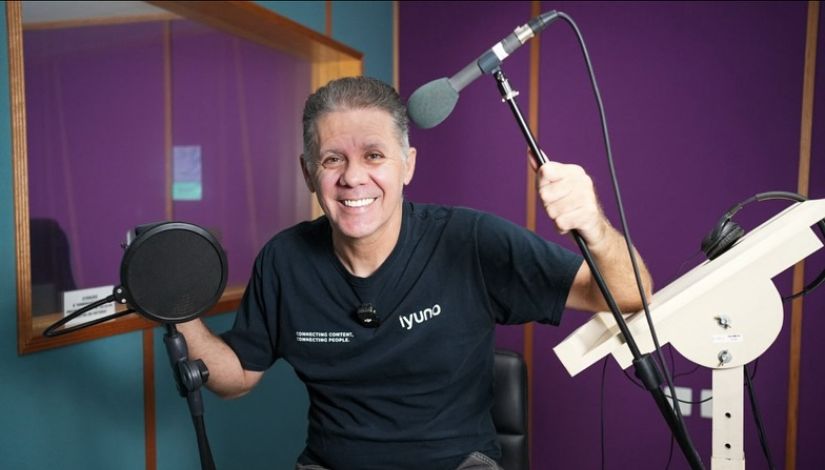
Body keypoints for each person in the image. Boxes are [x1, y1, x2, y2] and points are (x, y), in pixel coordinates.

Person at [178, 76, 652, 470]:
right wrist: (175, 306)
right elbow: (237, 376)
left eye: (374, 155)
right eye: (332, 159)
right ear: (308, 174)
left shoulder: (470, 240)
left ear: (408, 165)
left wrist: (594, 225)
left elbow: (633, 294)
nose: (352, 177)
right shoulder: (285, 260)